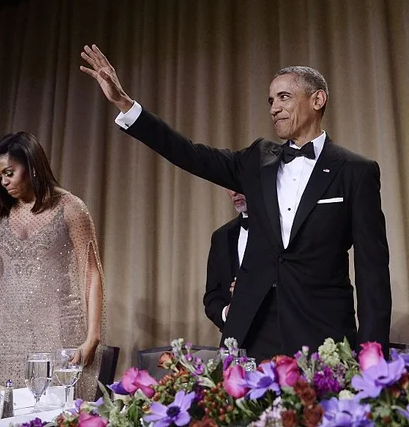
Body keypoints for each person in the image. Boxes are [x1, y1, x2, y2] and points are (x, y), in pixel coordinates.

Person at [79, 45, 391, 361]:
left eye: (284, 97)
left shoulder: (355, 171)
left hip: (321, 332)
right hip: (251, 331)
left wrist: (373, 354)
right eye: (271, 100)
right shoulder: (258, 160)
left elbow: (372, 272)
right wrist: (125, 104)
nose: (274, 108)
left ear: (318, 99)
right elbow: (189, 153)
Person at [0, 132, 105, 400]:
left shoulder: (70, 208)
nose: (4, 182)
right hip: (2, 331)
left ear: (33, 165)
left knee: (53, 409)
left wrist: (93, 336)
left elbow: (91, 273)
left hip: (57, 328)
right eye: (0, 176)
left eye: (10, 173)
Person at [203, 190, 248, 332]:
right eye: (228, 186)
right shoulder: (221, 237)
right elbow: (212, 295)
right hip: (235, 339)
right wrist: (226, 313)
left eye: (238, 184)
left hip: (279, 341)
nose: (234, 193)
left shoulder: (283, 231)